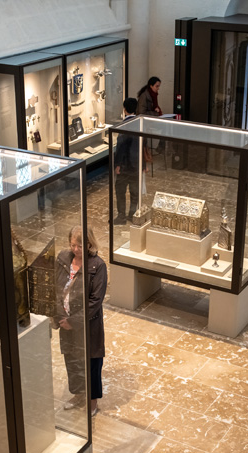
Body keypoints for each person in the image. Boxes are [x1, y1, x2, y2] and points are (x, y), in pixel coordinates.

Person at [55, 226, 108, 416]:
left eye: (80, 245)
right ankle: (78, 394)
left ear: (89, 244)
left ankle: (92, 401)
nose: (76, 249)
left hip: (87, 325)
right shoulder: (63, 259)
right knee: (72, 359)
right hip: (65, 321)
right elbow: (55, 288)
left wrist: (75, 321)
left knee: (92, 362)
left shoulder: (97, 266)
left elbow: (95, 300)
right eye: (73, 245)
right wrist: (61, 316)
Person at [113, 97, 140, 224]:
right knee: (134, 191)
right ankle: (132, 214)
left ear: (124, 109)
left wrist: (117, 164)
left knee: (120, 190)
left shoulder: (124, 125)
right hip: (136, 164)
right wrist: (143, 164)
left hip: (125, 165)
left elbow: (121, 147)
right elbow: (142, 145)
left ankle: (121, 216)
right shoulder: (139, 123)